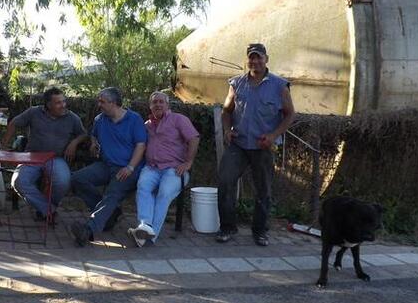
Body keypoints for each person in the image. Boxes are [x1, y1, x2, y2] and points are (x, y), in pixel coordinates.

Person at [216, 43, 295, 246]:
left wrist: (273, 135)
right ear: (247, 60)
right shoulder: (236, 83)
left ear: (266, 59)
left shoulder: (279, 85)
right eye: (251, 57)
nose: (255, 61)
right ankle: (227, 227)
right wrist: (227, 130)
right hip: (239, 144)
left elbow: (290, 114)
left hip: (263, 146)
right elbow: (226, 110)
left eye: (259, 57)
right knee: (225, 181)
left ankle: (259, 231)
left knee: (263, 190)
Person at [70, 87, 147, 247]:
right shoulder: (100, 120)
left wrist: (130, 167)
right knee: (77, 179)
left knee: (111, 195)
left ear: (113, 103)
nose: (99, 104)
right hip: (106, 166)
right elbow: (94, 135)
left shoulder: (134, 119)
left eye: (102, 101)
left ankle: (88, 230)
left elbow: (141, 145)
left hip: (128, 169)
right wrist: (93, 143)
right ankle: (110, 215)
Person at [0, 87, 87, 221]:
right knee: (18, 182)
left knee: (63, 181)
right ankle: (47, 209)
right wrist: (4, 145)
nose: (63, 105)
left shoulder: (71, 117)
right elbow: (14, 123)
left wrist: (74, 142)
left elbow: (83, 134)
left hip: (55, 158)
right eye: (58, 103)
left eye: (64, 101)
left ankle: (45, 209)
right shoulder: (34, 112)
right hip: (32, 157)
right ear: (48, 104)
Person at [127, 91, 199, 247]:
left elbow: (194, 138)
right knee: (143, 187)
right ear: (150, 106)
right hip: (152, 168)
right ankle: (145, 226)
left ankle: (149, 235)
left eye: (161, 102)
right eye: (154, 102)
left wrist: (188, 162)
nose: (158, 104)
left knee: (164, 192)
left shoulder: (179, 119)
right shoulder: (147, 125)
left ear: (167, 105)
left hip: (174, 169)